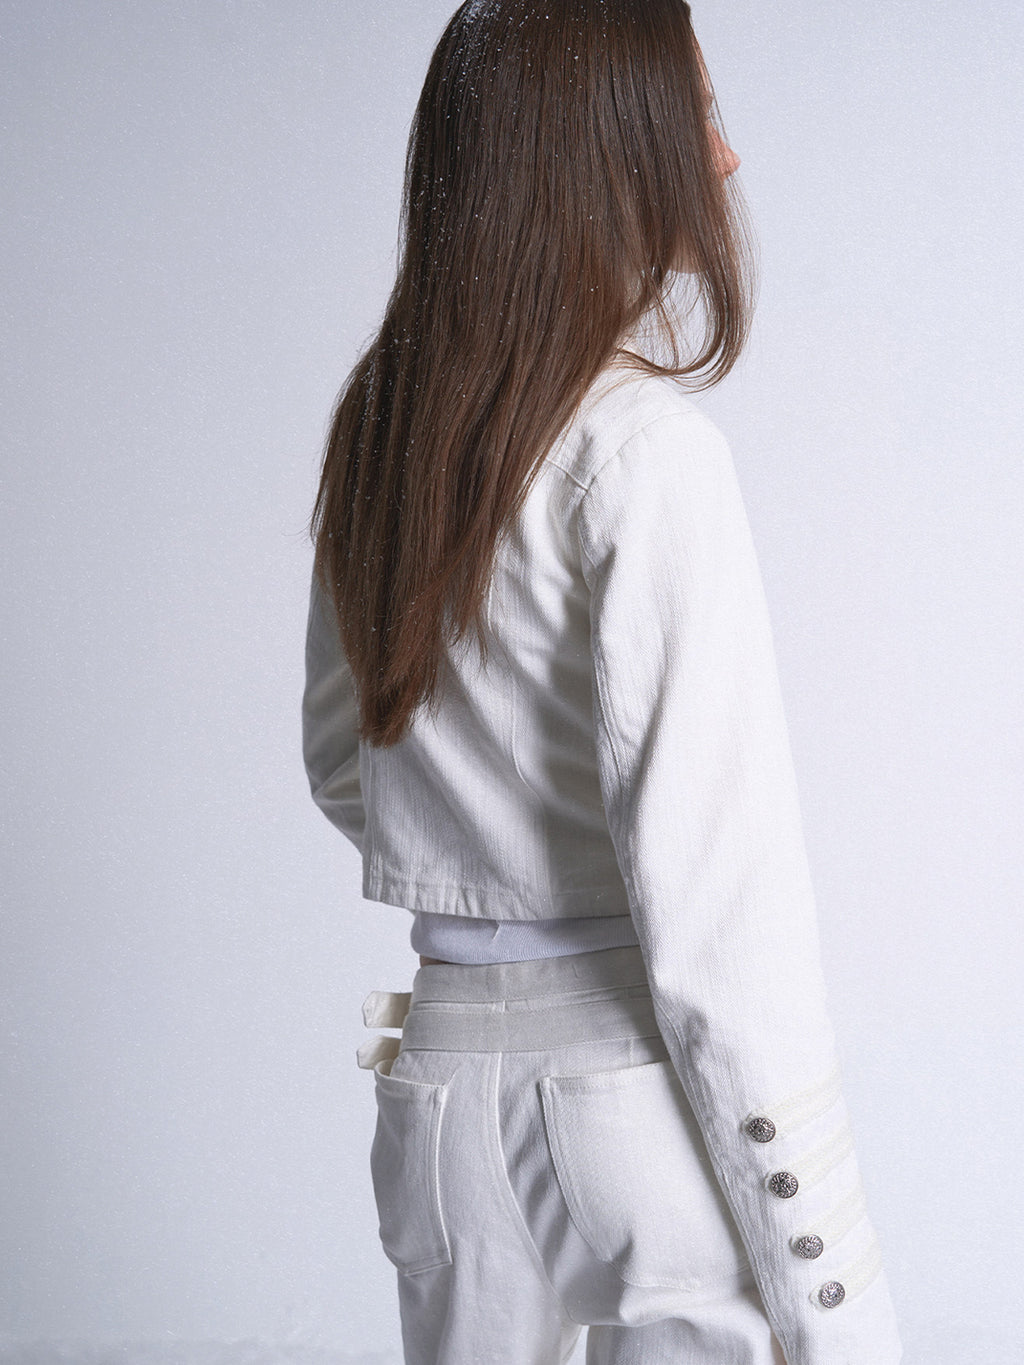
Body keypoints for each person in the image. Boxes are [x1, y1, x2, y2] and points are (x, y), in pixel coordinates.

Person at [302, 2, 904, 1361]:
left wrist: (484, 852)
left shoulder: (385, 426)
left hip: (437, 1094)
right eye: (703, 113)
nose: (725, 156)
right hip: (633, 1101)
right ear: (609, 148)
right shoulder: (648, 452)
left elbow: (347, 762)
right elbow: (720, 903)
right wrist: (841, 1302)